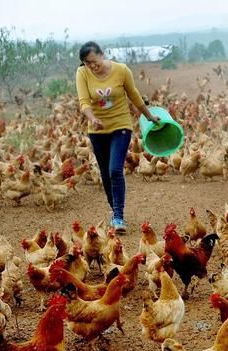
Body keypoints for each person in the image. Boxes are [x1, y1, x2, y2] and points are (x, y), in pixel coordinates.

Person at [75, 41, 159, 234]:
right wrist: (92, 118)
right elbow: (83, 102)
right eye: (88, 63)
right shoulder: (82, 73)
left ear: (102, 54)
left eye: (94, 61)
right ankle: (116, 210)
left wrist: (149, 116)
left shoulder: (121, 70)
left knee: (115, 170)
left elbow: (134, 95)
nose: (92, 66)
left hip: (121, 126)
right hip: (97, 130)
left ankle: (119, 216)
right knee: (104, 173)